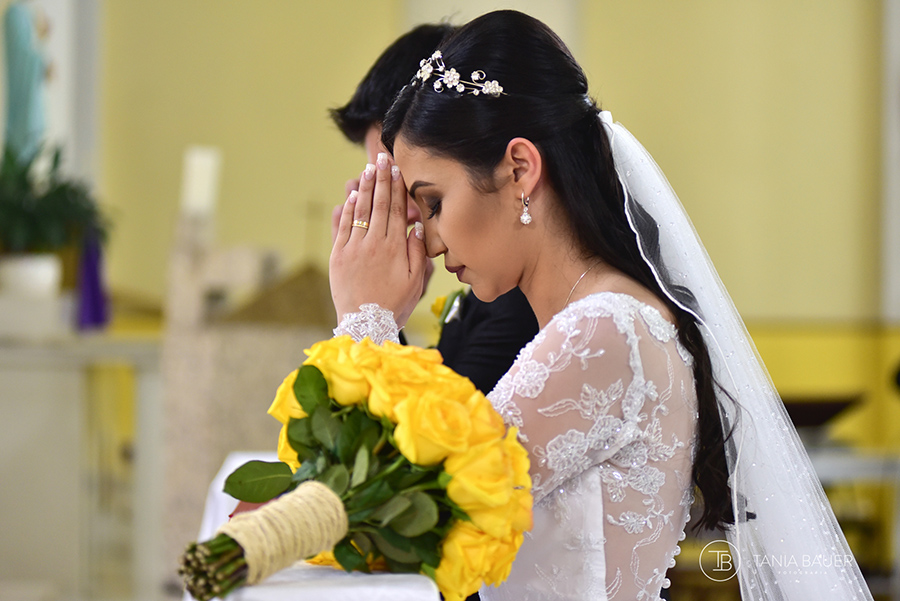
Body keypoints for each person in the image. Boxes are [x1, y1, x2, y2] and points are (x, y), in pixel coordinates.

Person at [329, 10, 873, 601]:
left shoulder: (604, 330)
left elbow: (394, 520)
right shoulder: (598, 319)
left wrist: (366, 319)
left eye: (432, 203)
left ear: (519, 169)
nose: (429, 240)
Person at [329, 23, 539, 395]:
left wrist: (365, 313)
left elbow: (433, 446)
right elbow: (426, 425)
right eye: (382, 190)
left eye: (419, 191)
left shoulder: (523, 309)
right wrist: (383, 315)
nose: (401, 212)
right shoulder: (492, 293)